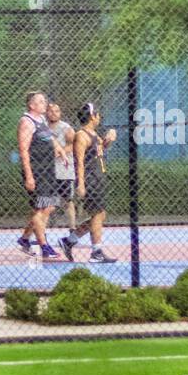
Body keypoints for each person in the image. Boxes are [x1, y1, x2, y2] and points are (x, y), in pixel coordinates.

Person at [61, 102, 118, 263]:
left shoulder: (93, 134)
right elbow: (78, 161)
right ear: (92, 116)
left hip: (98, 177)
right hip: (90, 179)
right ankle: (96, 252)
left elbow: (101, 149)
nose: (99, 117)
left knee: (100, 215)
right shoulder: (81, 135)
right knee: (97, 215)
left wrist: (109, 139)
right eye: (98, 114)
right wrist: (81, 184)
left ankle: (69, 240)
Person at [16, 90, 60, 259]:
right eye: (41, 102)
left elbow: (50, 139)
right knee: (40, 207)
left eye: (45, 100)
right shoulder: (26, 122)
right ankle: (44, 246)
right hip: (36, 171)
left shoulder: (41, 120)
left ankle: (25, 238)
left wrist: (60, 151)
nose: (45, 104)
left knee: (48, 206)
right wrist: (29, 175)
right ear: (32, 105)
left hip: (48, 170)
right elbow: (23, 150)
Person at [46, 100, 77, 237]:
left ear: (60, 113)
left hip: (64, 171)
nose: (53, 113)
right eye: (51, 111)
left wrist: (60, 151)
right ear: (46, 112)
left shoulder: (66, 128)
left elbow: (73, 145)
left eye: (56, 111)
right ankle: (43, 233)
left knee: (68, 202)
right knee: (45, 203)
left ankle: (72, 231)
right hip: (47, 172)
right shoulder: (42, 128)